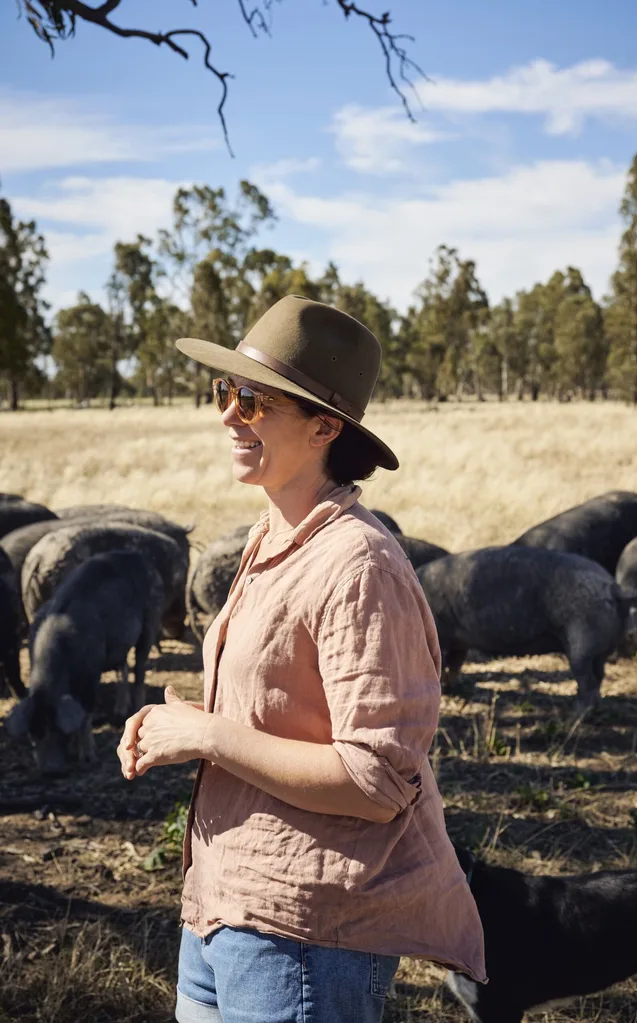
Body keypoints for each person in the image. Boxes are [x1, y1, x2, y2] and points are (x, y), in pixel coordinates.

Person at [117, 296, 485, 1023]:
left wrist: (209, 736)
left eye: (253, 400)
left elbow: (376, 779)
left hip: (304, 931)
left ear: (324, 426)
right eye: (226, 392)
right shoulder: (273, 536)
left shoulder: (361, 564)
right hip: (223, 902)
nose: (228, 414)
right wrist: (197, 718)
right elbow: (294, 711)